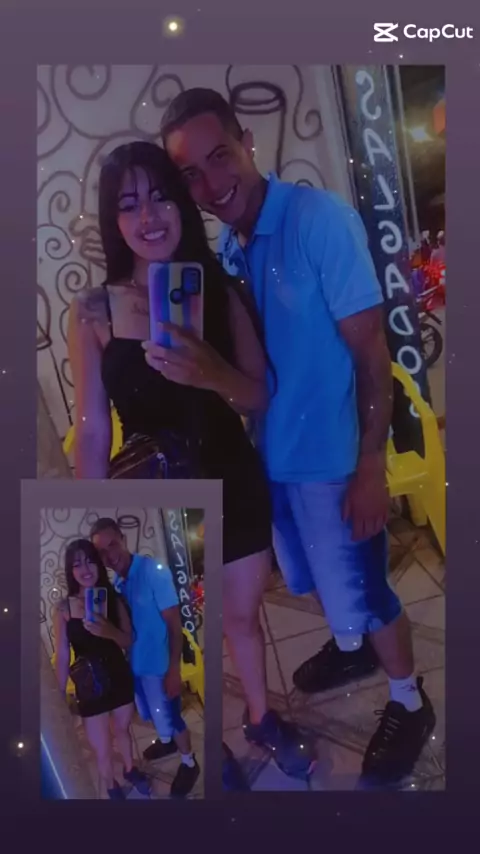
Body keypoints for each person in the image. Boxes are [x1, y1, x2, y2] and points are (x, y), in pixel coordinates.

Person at [161, 88, 437, 789]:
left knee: (367, 591)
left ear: (247, 142)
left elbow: (372, 355)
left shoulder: (319, 221)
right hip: (273, 458)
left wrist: (370, 464)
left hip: (334, 463)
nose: (209, 184)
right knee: (320, 583)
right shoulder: (232, 247)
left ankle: (410, 699)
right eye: (189, 174)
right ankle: (352, 645)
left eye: (219, 157)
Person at [67, 140, 315, 781]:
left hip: (231, 476)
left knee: (240, 617)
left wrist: (208, 373)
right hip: (159, 493)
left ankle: (260, 717)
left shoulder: (219, 289)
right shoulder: (94, 312)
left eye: (161, 197)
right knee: (183, 633)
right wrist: (95, 512)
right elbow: (92, 431)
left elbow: (257, 394)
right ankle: (207, 745)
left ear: (181, 203)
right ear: (114, 220)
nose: (148, 216)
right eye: (129, 204)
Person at [90, 517, 201, 798]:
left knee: (173, 718)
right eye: (101, 552)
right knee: (152, 715)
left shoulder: (153, 572)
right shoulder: (118, 583)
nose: (109, 555)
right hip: (136, 668)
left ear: (124, 540)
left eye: (112, 545)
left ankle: (189, 762)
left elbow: (175, 626)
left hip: (160, 669)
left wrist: (174, 670)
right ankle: (167, 741)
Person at [53, 538, 150, 799]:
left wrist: (108, 631)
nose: (85, 569)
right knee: (102, 747)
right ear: (70, 571)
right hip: (90, 685)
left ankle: (130, 769)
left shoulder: (114, 599)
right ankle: (110, 785)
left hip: (118, 676)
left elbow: (128, 640)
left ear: (98, 564)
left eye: (90, 561)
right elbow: (62, 655)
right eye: (77, 564)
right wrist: (59, 694)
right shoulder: (63, 609)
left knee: (122, 730)